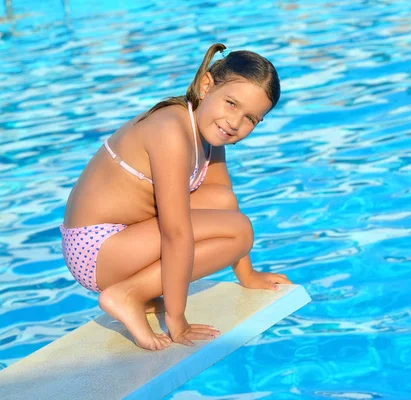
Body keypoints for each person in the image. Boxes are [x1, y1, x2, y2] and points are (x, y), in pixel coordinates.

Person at [59, 43, 292, 351]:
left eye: (251, 118)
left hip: (125, 238)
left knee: (223, 205)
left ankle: (135, 290)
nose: (235, 123)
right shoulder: (170, 130)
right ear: (206, 85)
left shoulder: (208, 130)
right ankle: (127, 294)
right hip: (95, 249)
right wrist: (177, 319)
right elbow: (176, 232)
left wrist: (246, 275)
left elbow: (225, 200)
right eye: (231, 104)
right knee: (239, 231)